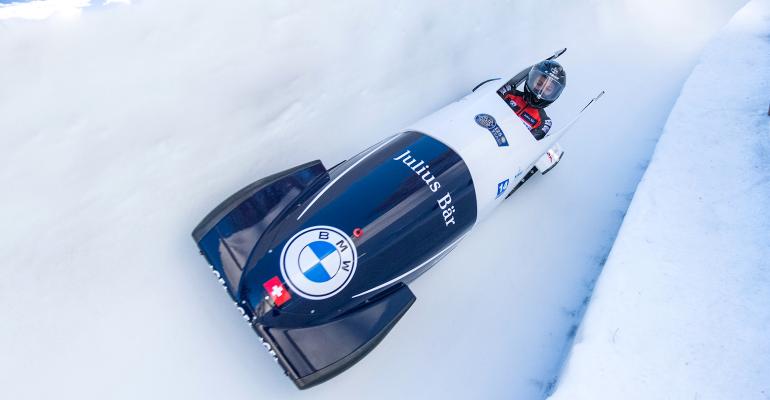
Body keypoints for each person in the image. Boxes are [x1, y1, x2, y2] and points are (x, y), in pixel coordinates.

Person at [497, 60, 566, 140]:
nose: (540, 92)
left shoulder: (544, 122)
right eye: (539, 84)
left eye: (548, 89)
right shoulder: (507, 91)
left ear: (553, 94)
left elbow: (526, 145)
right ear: (531, 79)